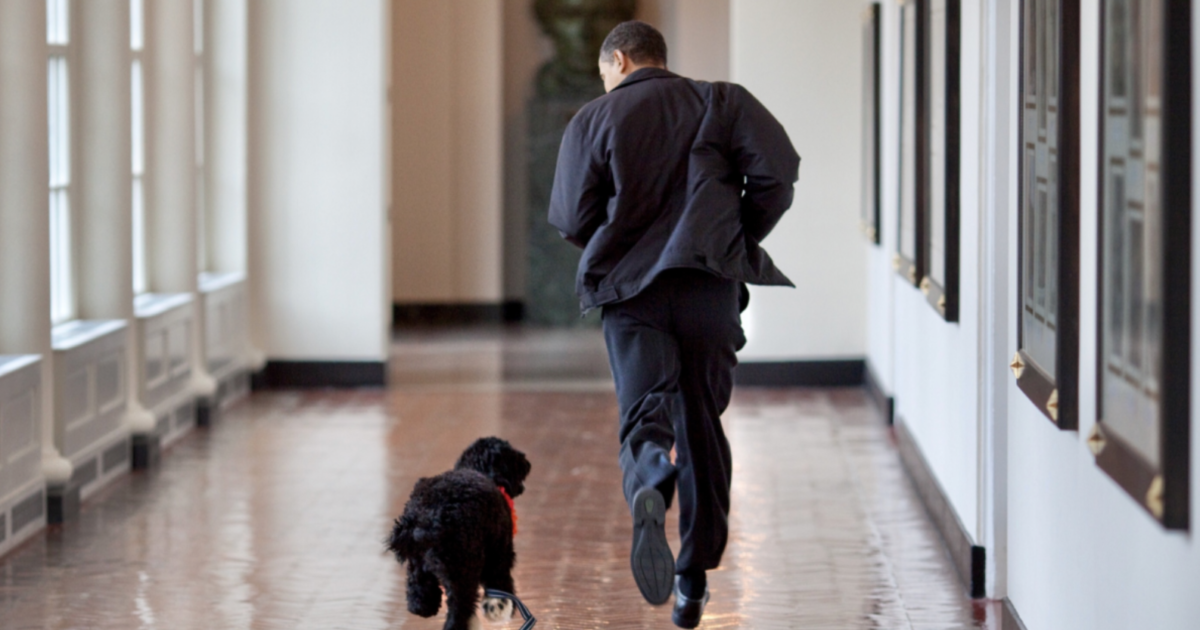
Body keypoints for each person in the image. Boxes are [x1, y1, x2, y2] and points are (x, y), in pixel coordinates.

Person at [547, 20, 799, 629]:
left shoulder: (593, 119)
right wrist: (730, 235)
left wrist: (615, 240)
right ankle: (692, 580)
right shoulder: (722, 100)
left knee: (645, 412)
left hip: (634, 292)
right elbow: (778, 174)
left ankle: (651, 474)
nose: (605, 83)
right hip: (707, 286)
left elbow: (569, 215)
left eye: (606, 72)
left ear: (622, 60)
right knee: (702, 422)